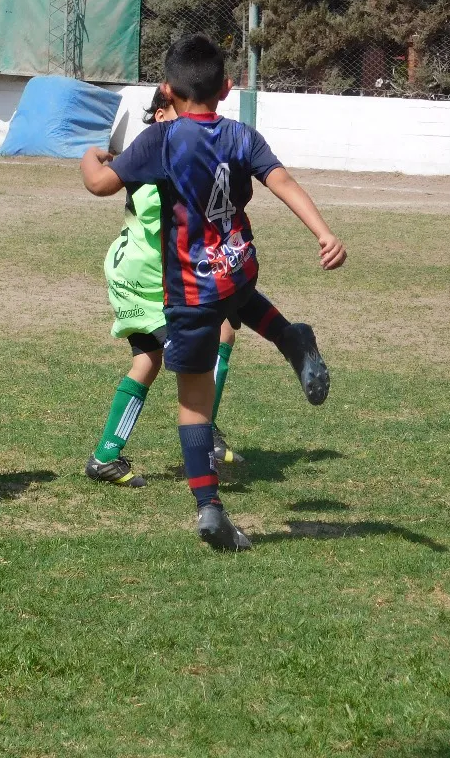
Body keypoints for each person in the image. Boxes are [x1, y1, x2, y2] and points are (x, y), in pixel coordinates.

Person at [81, 34, 346, 551]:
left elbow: (101, 186)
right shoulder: (242, 135)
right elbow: (283, 181)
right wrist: (323, 232)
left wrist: (89, 159)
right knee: (242, 299)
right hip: (236, 266)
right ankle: (292, 339)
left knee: (194, 405)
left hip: (189, 292)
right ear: (226, 88)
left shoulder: (161, 140)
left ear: (166, 90)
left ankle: (210, 508)